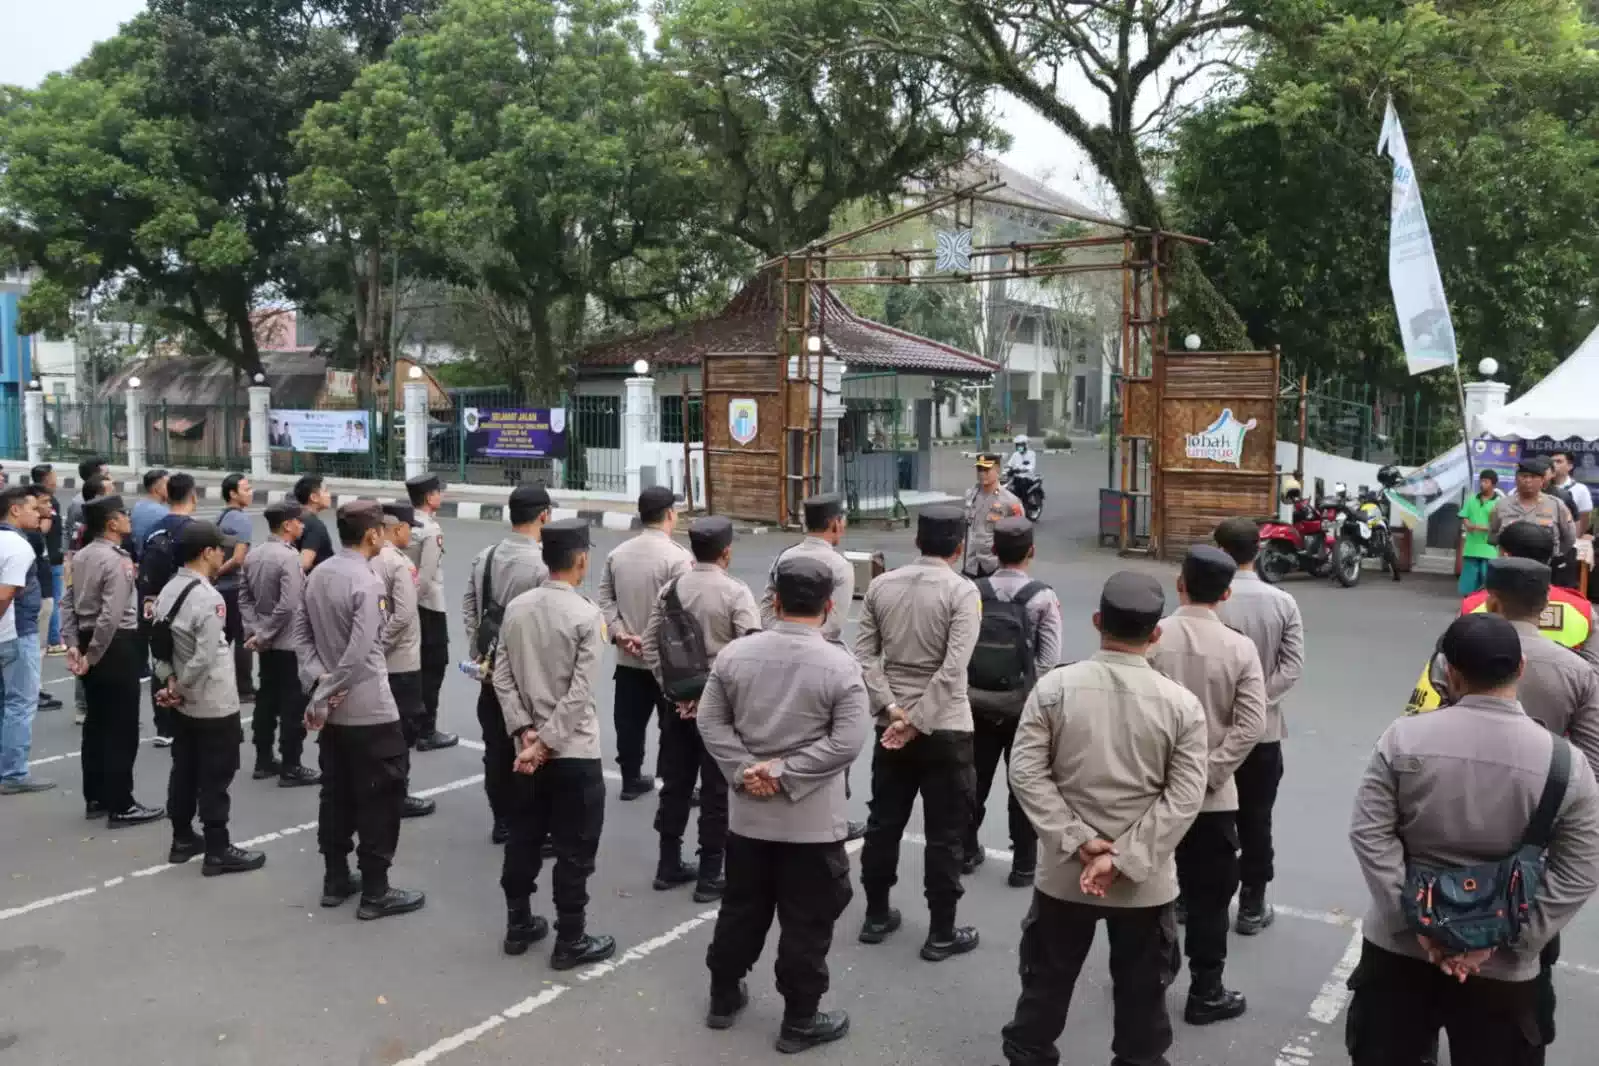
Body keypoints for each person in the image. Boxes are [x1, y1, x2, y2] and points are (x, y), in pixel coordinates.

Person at [1347, 613, 1599, 1066]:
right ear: (1520, 669)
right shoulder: (1566, 764)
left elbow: (1370, 835)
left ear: (1450, 672)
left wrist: (1416, 924)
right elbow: (1580, 868)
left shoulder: (1403, 739)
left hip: (1399, 953)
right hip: (1503, 971)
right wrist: (1508, 939)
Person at [998, 571, 1210, 1066]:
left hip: (1064, 875)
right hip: (1145, 882)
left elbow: (1027, 774)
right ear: (1156, 634)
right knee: (1143, 998)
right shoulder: (1182, 706)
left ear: (1097, 622)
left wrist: (1079, 842)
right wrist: (1124, 856)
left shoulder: (1054, 689)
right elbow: (1184, 796)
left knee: (1045, 985)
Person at [697, 555, 870, 1053]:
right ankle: (799, 1020)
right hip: (810, 824)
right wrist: (787, 773)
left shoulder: (735, 656)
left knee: (741, 909)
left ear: (773, 600)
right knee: (806, 922)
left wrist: (746, 770)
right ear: (830, 605)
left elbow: (711, 722)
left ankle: (723, 997)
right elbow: (846, 742)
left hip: (748, 816)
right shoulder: (840, 665)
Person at [854, 504, 983, 961]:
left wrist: (895, 712)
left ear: (917, 542)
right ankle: (941, 932)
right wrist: (918, 722)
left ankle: (875, 915)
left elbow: (865, 657)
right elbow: (953, 670)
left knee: (883, 822)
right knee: (946, 833)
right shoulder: (962, 592)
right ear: (959, 546)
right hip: (945, 727)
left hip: (891, 724)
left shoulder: (881, 586)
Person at [1147, 545, 1267, 1025]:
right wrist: (1212, 771)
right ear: (1226, 593)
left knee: (1150, 889)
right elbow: (1251, 723)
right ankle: (1206, 990)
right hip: (1212, 798)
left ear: (1180, 583)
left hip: (1151, 793)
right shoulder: (1239, 647)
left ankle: (1147, 977)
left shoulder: (1153, 639)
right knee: (1210, 899)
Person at [492, 518, 615, 969]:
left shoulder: (518, 607)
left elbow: (501, 677)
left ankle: (518, 923)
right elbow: (579, 695)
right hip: (572, 754)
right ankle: (571, 938)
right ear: (580, 559)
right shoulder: (586, 615)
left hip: (525, 751)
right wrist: (545, 743)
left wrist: (523, 731)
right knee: (574, 850)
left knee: (522, 838)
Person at [293, 500, 424, 921]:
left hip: (334, 710)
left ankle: (336, 878)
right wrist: (327, 689)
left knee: (337, 794)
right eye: (382, 530)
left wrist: (319, 683)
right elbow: (362, 650)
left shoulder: (318, 574)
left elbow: (302, 637)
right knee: (380, 799)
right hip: (369, 708)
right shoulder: (366, 582)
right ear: (371, 535)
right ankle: (375, 890)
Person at [641, 515, 760, 902]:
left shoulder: (670, 590)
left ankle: (667, 864)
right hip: (720, 712)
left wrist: (675, 693)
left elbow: (649, 647)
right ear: (726, 552)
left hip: (677, 709)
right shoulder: (736, 594)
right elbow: (751, 657)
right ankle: (711, 873)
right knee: (715, 790)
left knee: (675, 784)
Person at [152, 522, 266, 876]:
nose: (225, 554)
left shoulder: (169, 590)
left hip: (184, 703)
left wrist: (170, 683)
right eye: (221, 549)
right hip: (212, 701)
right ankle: (218, 848)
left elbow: (159, 646)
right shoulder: (209, 598)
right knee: (216, 776)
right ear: (206, 553)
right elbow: (204, 657)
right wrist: (180, 687)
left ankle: (182, 837)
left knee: (184, 770)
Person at [1212, 516, 1304, 935]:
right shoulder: (1282, 602)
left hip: (1210, 730)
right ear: (1259, 551)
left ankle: (1194, 895)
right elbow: (1291, 668)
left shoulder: (1206, 601)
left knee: (1204, 816)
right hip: (1263, 733)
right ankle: (1251, 903)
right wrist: (1256, 703)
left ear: (1219, 550)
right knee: (1256, 817)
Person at [758, 493, 866, 843]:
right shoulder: (840, 566)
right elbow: (833, 623)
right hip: (823, 665)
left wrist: (780, 636)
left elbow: (765, 606)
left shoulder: (784, 556)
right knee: (828, 742)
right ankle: (833, 819)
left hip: (774, 658)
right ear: (835, 524)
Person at [963, 516, 1061, 887]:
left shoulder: (973, 591)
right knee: (1024, 783)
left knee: (975, 779)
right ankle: (1023, 865)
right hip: (1022, 706)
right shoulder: (1042, 597)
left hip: (976, 702)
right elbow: (1049, 657)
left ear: (994, 551)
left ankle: (966, 850)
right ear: (1030, 552)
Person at [62, 494, 164, 825]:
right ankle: (122, 803)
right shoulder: (116, 560)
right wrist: (91, 655)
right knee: (121, 728)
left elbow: (68, 603)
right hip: (115, 645)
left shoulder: (81, 557)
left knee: (97, 725)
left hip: (91, 640)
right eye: (124, 514)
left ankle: (96, 796)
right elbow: (112, 613)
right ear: (111, 522)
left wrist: (74, 645)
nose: (128, 519)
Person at [463, 483, 552, 844]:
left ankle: (502, 820)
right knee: (532, 746)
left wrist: (480, 651)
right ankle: (531, 823)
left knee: (496, 750)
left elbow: (471, 607)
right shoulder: (544, 565)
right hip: (526, 676)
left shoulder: (485, 556)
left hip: (489, 669)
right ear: (543, 516)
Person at [597, 485, 692, 799]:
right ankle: (672, 783)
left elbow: (605, 599)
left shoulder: (617, 555)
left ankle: (630, 779)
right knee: (672, 726)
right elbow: (680, 612)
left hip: (628, 657)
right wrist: (650, 640)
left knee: (629, 722)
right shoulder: (678, 559)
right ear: (668, 514)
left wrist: (620, 633)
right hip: (666, 661)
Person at [240, 500, 318, 786]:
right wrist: (266, 633)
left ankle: (263, 759)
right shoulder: (288, 558)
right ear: (287, 525)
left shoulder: (254, 554)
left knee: (266, 699)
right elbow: (289, 605)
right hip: (287, 642)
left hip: (266, 643)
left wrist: (256, 631)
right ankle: (291, 765)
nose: (302, 525)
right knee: (291, 705)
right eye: (298, 521)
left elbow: (244, 598)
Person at [375, 502, 438, 820]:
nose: (411, 535)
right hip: (400, 664)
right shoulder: (397, 563)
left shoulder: (371, 557)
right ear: (397, 529)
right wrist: (380, 646)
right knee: (401, 732)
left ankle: (384, 790)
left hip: (383, 663)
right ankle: (396, 794)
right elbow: (401, 615)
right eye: (409, 529)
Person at [0, 487, 51, 795]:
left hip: (10, 631)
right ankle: (14, 772)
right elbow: (6, 593)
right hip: (16, 633)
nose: (40, 513)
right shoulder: (18, 547)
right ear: (15, 510)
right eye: (33, 508)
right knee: (20, 702)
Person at [142, 473, 199, 748]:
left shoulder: (154, 528)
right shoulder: (194, 530)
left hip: (157, 605)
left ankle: (163, 726)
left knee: (162, 663)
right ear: (194, 496)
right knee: (191, 660)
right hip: (187, 604)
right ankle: (188, 718)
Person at [403, 473, 457, 751]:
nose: (441, 495)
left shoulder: (403, 523)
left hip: (407, 606)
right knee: (434, 668)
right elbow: (425, 577)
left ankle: (412, 726)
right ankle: (427, 730)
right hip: (429, 608)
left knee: (414, 668)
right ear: (428, 497)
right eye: (438, 492)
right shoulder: (431, 529)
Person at [214, 473, 255, 702]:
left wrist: (213, 575)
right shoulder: (241, 519)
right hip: (235, 586)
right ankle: (245, 688)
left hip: (221, 588)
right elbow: (239, 558)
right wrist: (217, 574)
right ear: (233, 493)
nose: (250, 493)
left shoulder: (222, 517)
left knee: (222, 638)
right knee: (243, 637)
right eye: (245, 489)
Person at [1491, 456, 1574, 567]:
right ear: (1516, 479)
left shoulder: (1556, 505)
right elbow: (1493, 536)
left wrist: (1552, 555)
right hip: (1509, 569)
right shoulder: (1502, 505)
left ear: (1542, 481)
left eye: (1533, 477)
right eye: (1523, 476)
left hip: (1544, 568)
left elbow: (1569, 538)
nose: (1527, 480)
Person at [24, 485, 61, 712]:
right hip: (38, 595)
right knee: (35, 649)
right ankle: (31, 691)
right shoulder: (31, 535)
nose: (49, 507)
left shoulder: (34, 532)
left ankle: (35, 687)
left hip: (44, 592)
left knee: (39, 648)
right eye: (44, 503)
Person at [961, 454, 1023, 578]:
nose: (982, 474)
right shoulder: (970, 495)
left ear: (998, 470)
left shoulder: (1009, 501)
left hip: (995, 566)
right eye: (980, 469)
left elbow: (1020, 533)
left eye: (987, 469)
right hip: (971, 564)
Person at [31, 465, 67, 656]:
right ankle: (53, 640)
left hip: (50, 558)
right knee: (50, 600)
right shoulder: (33, 534)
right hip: (50, 560)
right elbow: (43, 530)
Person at [1459, 469, 1502, 595]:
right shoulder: (1472, 499)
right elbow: (1464, 515)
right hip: (1471, 546)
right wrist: (1467, 523)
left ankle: (1484, 603)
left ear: (1494, 484)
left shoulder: (1499, 502)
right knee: (1469, 579)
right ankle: (1467, 602)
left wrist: (1480, 527)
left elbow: (1500, 523)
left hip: (1489, 548)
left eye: (1486, 482)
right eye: (1481, 481)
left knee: (1487, 578)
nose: (1483, 484)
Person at [292, 475, 335, 572]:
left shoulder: (294, 519)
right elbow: (304, 563)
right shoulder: (314, 525)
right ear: (314, 497)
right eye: (325, 491)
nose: (329, 494)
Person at [129, 468, 170, 560]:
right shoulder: (162, 512)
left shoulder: (138, 505)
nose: (172, 488)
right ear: (157, 489)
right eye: (168, 485)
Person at [1550, 449, 1592, 536]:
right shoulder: (1539, 486)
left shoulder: (1580, 489)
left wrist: (1576, 538)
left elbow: (1584, 517)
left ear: (1570, 466)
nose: (1553, 465)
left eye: (1559, 461)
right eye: (1551, 462)